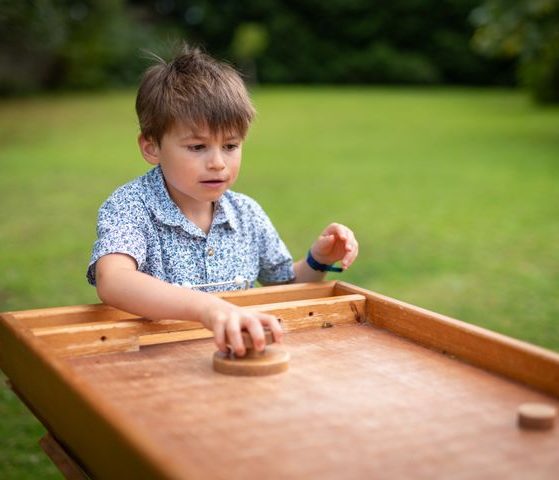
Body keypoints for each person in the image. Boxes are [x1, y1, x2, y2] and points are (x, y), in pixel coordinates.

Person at [87, 45, 358, 358]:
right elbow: (114, 280)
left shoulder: (247, 214)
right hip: (154, 369)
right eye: (197, 147)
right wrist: (208, 309)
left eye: (230, 145)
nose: (217, 163)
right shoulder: (131, 206)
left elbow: (284, 288)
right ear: (151, 147)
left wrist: (318, 260)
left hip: (235, 364)